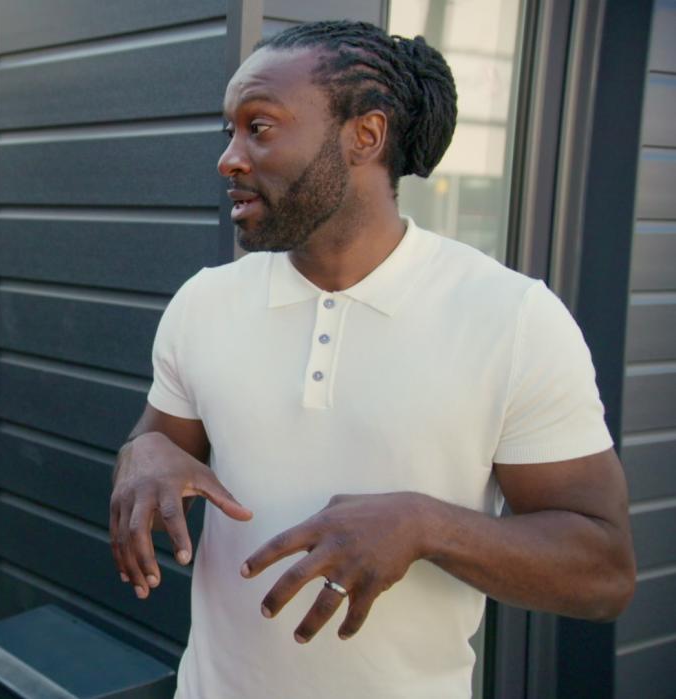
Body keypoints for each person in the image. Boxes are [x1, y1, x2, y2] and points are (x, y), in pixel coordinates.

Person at [109, 20, 635, 698]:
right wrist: (143, 453)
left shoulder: (511, 319)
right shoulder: (204, 302)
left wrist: (426, 525)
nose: (229, 158)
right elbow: (155, 443)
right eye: (229, 132)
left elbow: (604, 570)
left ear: (365, 136)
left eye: (259, 127)